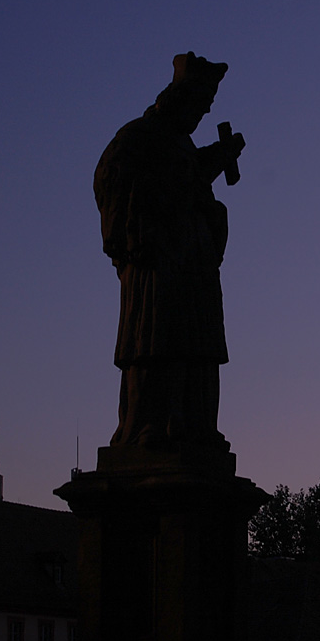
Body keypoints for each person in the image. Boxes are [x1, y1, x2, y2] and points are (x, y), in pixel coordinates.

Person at [94, 52, 243, 449]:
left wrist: (210, 167)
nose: (199, 116)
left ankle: (194, 424)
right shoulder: (138, 138)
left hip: (194, 266)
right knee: (156, 343)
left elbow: (188, 181)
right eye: (197, 106)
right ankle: (149, 426)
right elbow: (116, 186)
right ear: (178, 98)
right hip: (158, 265)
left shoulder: (181, 146)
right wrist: (135, 236)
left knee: (197, 346)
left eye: (205, 109)